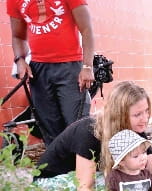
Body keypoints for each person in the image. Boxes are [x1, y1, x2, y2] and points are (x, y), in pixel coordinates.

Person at [34, 81, 152, 191]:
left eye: (146, 111)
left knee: (138, 178)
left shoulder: (133, 128)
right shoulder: (90, 131)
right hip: (49, 184)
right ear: (118, 115)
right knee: (115, 181)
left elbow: (150, 163)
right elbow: (84, 187)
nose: (145, 118)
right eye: (137, 114)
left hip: (81, 180)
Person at [7, 0, 95, 146]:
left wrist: (87, 66)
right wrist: (20, 60)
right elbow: (18, 36)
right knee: (49, 125)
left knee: (77, 123)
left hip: (70, 66)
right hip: (38, 70)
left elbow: (87, 29)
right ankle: (59, 166)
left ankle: (82, 165)